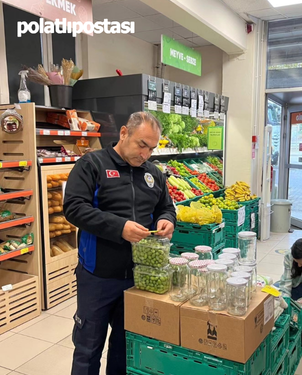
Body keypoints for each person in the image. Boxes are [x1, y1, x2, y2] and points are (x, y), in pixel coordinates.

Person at [64, 112, 176, 375]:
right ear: (124, 133)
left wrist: (167, 220)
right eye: (141, 145)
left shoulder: (154, 174)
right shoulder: (92, 164)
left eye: (152, 148)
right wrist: (119, 227)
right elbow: (74, 208)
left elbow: (166, 208)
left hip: (139, 279)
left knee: (125, 348)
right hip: (98, 276)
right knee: (88, 348)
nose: (146, 154)